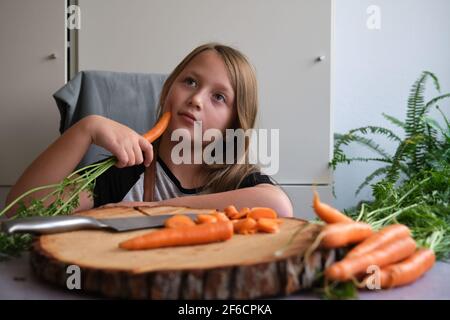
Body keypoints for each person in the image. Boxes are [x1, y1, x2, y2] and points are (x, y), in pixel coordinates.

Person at [6, 43, 293, 217]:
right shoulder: (126, 173)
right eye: (190, 82)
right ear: (168, 90)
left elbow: (278, 206)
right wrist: (86, 129)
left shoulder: (236, 180)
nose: (196, 99)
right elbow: (20, 211)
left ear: (234, 122)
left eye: (219, 97)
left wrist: (151, 211)